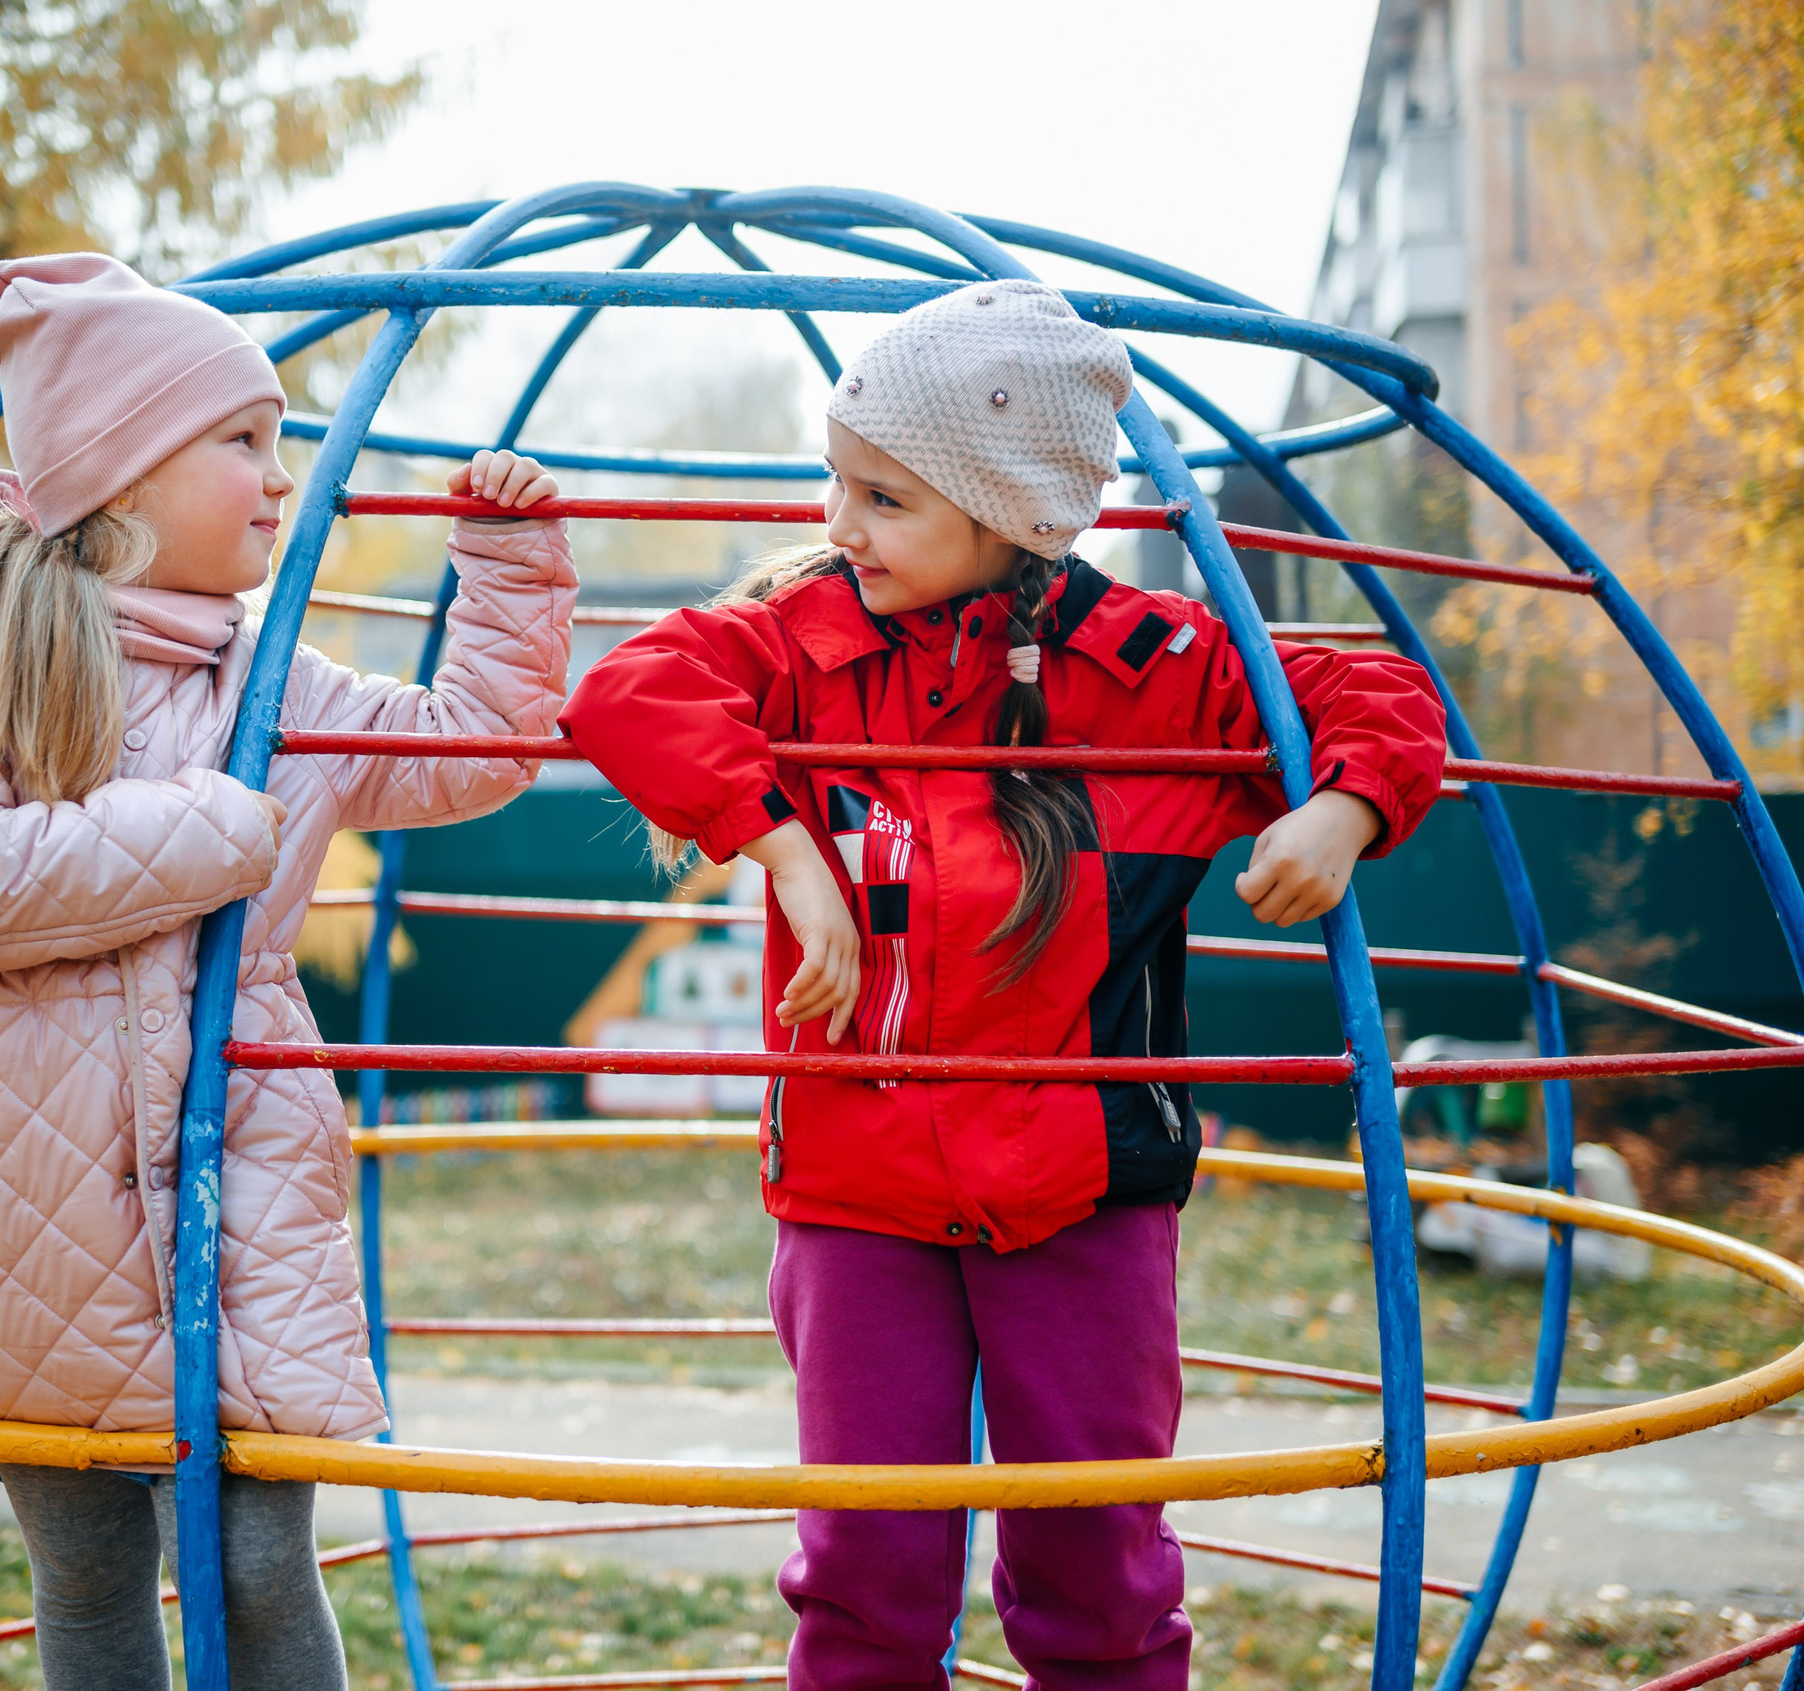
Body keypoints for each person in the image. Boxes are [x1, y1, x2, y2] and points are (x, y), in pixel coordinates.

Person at [559, 280, 1446, 1690]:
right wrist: (779, 844)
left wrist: (1341, 811)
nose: (840, 526)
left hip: (1081, 1198)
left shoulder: (1148, 669)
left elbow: (1379, 695)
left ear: (1012, 514)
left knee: (1099, 1567)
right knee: (867, 1568)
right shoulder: (809, 640)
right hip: (860, 1198)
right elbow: (625, 691)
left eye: (886, 498)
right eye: (837, 481)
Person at [0, 252, 577, 1691]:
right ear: (120, 471)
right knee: (91, 1567)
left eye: (282, 441)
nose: (278, 474)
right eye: (243, 440)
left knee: (252, 1558)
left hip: (230, 1174)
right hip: (18, 1195)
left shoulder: (276, 679)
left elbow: (474, 742)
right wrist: (215, 832)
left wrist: (505, 568)